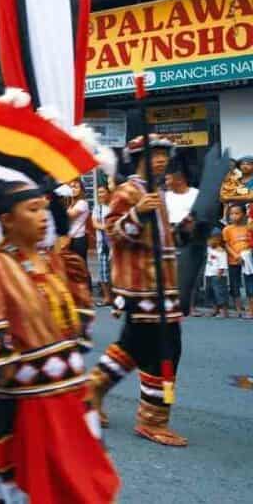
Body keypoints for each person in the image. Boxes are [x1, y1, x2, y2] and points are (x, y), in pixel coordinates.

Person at [0, 83, 120, 502]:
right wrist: (11, 365)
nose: (42, 215)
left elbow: (79, 324)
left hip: (66, 402)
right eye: (30, 209)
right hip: (21, 410)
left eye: (41, 207)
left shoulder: (52, 265)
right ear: (7, 222)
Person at [90, 136, 188, 447]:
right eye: (154, 154)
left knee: (133, 347)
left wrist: (185, 231)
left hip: (163, 287)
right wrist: (137, 213)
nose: (161, 160)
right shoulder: (129, 191)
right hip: (141, 290)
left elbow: (160, 240)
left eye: (163, 155)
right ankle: (152, 421)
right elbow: (114, 233)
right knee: (164, 351)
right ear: (139, 158)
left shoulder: (156, 191)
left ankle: (90, 393)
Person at [222, 203, 250, 318]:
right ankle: (238, 309)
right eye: (231, 214)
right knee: (235, 285)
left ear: (243, 214)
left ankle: (250, 309)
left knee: (249, 285)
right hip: (234, 261)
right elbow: (226, 244)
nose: (233, 216)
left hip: (248, 261)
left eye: (237, 213)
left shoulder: (248, 227)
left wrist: (246, 255)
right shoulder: (227, 229)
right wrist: (235, 255)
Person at [92, 185, 113, 307]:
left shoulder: (113, 206)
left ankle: (117, 297)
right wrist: (106, 227)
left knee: (115, 271)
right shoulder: (97, 208)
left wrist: (103, 225)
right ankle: (107, 298)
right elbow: (94, 223)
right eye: (98, 192)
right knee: (103, 271)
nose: (100, 195)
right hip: (102, 243)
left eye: (102, 192)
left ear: (108, 193)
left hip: (114, 244)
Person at [206, 229, 230, 317]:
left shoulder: (221, 251)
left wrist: (219, 275)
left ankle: (224, 311)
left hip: (218, 275)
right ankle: (215, 309)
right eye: (210, 239)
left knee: (220, 292)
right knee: (211, 292)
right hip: (209, 274)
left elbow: (222, 265)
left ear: (219, 239)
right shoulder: (208, 249)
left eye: (215, 238)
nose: (210, 241)